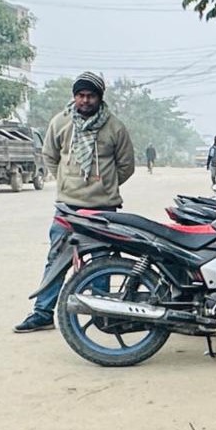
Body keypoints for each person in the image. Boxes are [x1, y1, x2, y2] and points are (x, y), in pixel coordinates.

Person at [14, 72, 136, 332]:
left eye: (90, 96)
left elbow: (126, 166)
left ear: (99, 98)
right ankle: (43, 313)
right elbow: (50, 156)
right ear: (74, 97)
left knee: (101, 261)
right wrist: (68, 181)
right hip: (68, 208)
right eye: (80, 95)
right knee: (56, 260)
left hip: (103, 210)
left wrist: (103, 186)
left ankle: (101, 312)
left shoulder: (115, 127)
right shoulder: (60, 123)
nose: (85, 100)